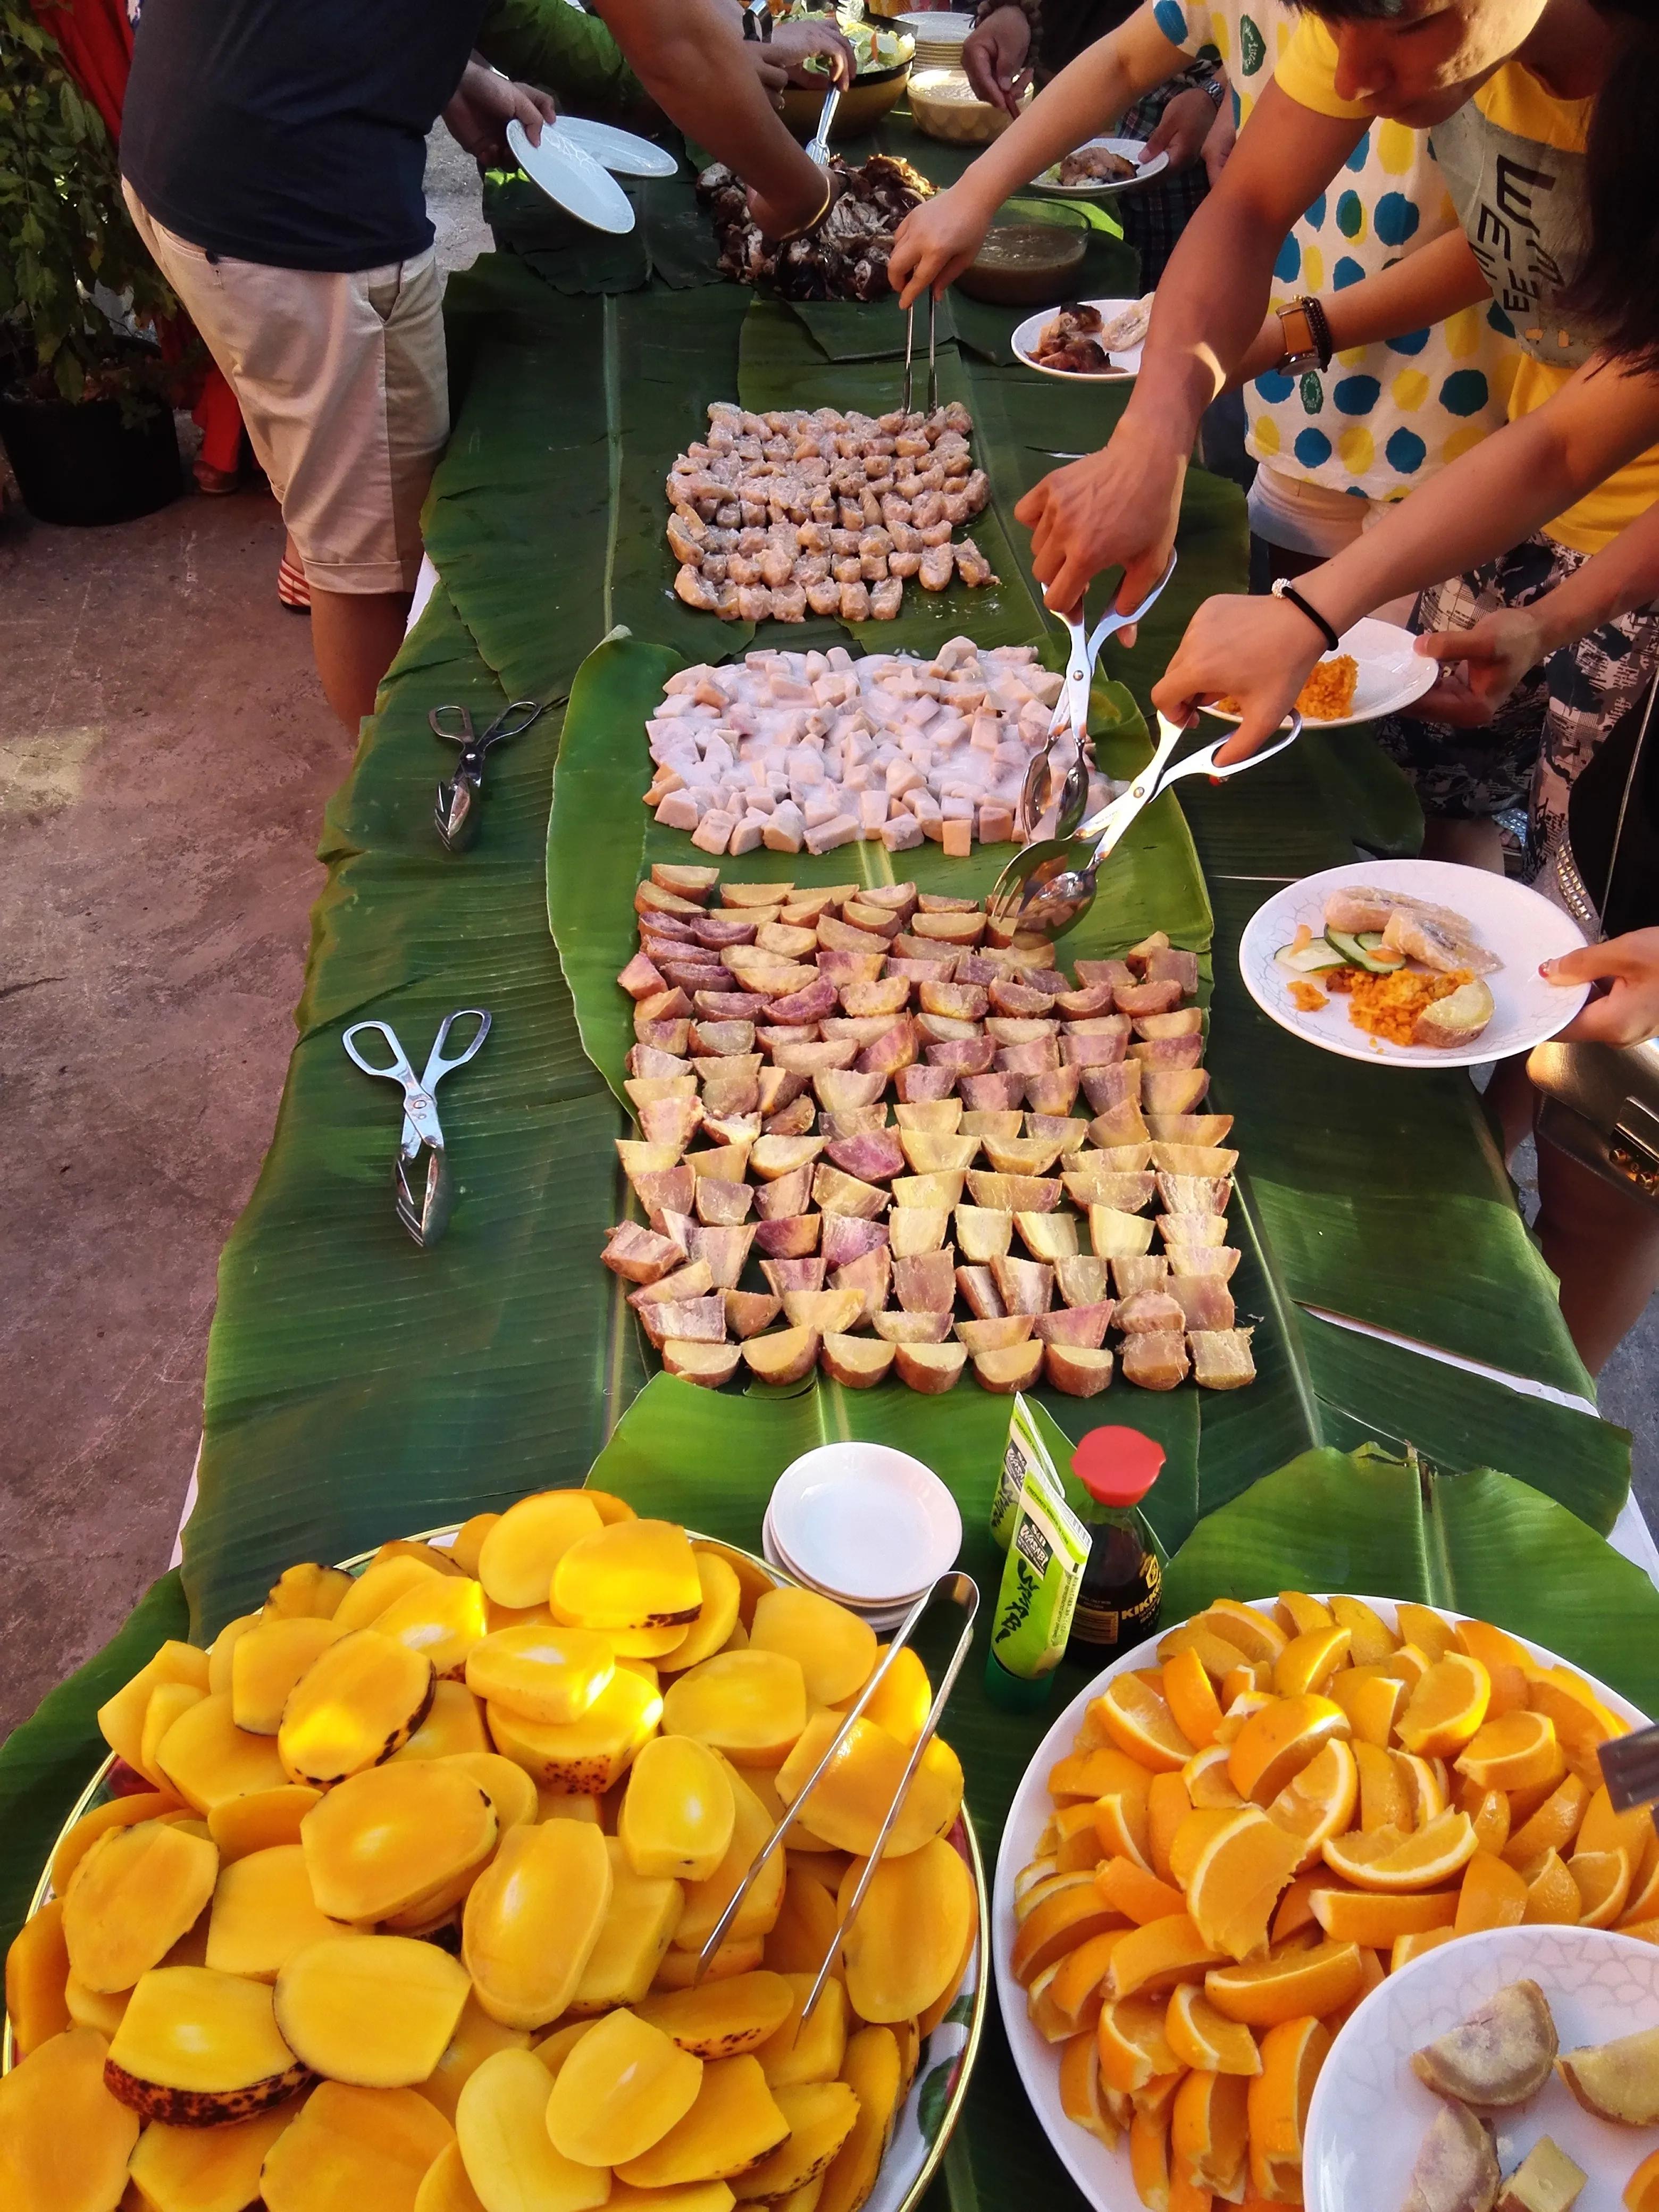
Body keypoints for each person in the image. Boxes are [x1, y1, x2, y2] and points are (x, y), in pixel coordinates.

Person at [119, 0, 836, 734]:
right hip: (297, 216)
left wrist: (451, 72)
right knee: (369, 572)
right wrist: (802, 193)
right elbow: (670, 44)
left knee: (334, 509)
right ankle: (396, 818)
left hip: (186, 150)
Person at [889, 0, 1514, 586]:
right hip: (1302, 409)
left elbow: (1496, 248)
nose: (1351, 80)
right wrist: (1155, 434)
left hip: (1451, 423)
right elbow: (1241, 196)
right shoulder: (1334, 57)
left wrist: (1277, 342)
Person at [962, 0, 1228, 287]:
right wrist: (1014, 9)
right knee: (1145, 287)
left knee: (1207, 281)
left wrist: (1218, 91)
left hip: (1226, 108)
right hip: (1137, 78)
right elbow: (1123, 61)